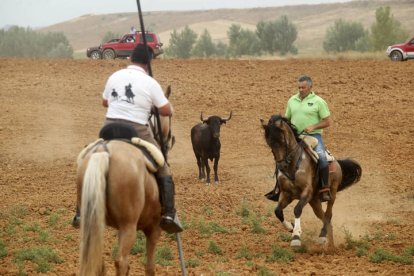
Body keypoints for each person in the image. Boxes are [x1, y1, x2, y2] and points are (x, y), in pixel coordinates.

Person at [73, 44, 183, 234]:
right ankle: (169, 214)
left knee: (87, 157)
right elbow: (167, 110)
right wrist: (151, 106)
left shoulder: (114, 76)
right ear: (148, 64)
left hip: (108, 126)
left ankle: (80, 211)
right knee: (163, 165)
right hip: (137, 129)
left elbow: (105, 102)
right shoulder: (150, 82)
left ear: (131, 58)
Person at [267, 75, 332, 202]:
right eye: (299, 87)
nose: (301, 90)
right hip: (296, 136)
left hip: (314, 136)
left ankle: (325, 189)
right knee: (280, 157)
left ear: (310, 87)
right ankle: (278, 188)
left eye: (303, 87)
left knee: (322, 158)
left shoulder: (319, 101)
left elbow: (328, 121)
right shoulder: (292, 100)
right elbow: (287, 119)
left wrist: (313, 127)